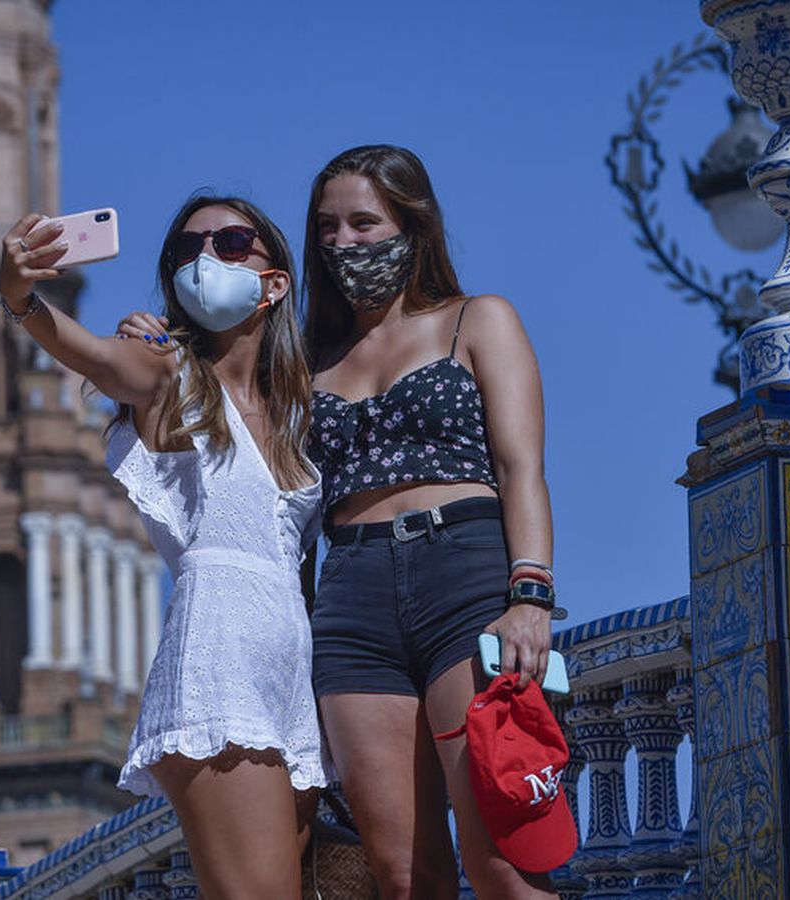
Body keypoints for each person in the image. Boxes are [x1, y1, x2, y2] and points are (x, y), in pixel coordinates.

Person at [118, 146, 562, 898]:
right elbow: (248, 458)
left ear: (412, 228)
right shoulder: (308, 363)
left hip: (468, 580)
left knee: (503, 859)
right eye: (327, 228)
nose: (344, 243)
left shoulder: (477, 321)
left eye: (364, 223)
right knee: (401, 871)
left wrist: (531, 594)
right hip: (351, 606)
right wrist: (160, 338)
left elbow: (522, 467)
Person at [0, 196, 327, 900]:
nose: (205, 259)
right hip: (220, 674)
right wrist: (20, 296)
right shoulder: (166, 373)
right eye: (186, 250)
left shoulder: (296, 405)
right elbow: (86, 352)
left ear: (276, 282)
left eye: (232, 243)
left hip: (289, 685)